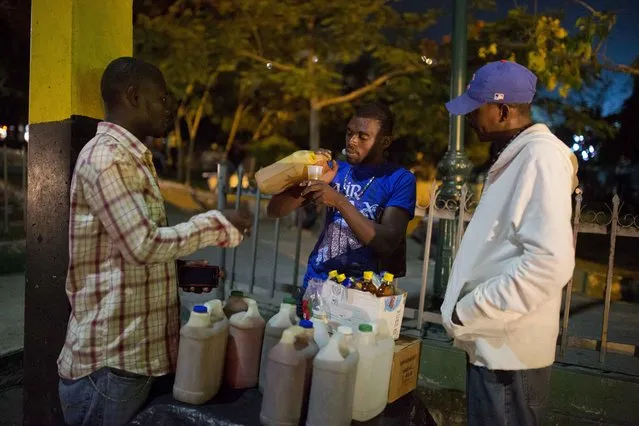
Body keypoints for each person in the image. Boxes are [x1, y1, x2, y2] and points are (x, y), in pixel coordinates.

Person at [57, 57, 253, 426]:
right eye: (161, 99)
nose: (169, 108)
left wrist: (193, 274)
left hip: (133, 362)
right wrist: (217, 223)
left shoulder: (134, 159)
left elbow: (126, 254)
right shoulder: (107, 157)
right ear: (133, 96)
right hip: (111, 367)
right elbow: (142, 245)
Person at [440, 60, 578, 426]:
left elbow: (551, 262)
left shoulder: (540, 157)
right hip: (495, 347)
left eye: (476, 107)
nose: (469, 117)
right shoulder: (519, 154)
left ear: (502, 110)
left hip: (509, 357)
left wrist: (470, 310)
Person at [267, 102, 417, 303]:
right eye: (349, 133)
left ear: (385, 142)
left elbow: (385, 242)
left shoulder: (399, 179)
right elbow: (274, 210)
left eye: (363, 136)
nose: (352, 141)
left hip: (366, 292)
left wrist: (338, 200)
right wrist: (308, 176)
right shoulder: (336, 171)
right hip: (318, 283)